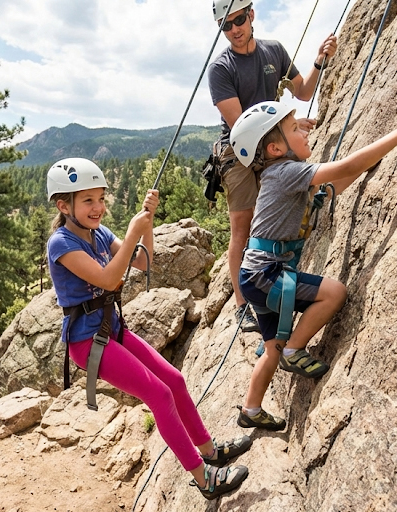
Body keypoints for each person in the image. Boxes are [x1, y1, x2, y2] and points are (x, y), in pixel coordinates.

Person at [46, 157, 251, 499]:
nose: (98, 208)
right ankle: (204, 479)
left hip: (111, 329)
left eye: (100, 199)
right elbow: (110, 277)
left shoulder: (98, 234)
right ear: (64, 205)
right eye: (88, 201)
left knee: (175, 380)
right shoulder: (62, 244)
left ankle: (210, 451)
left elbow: (143, 261)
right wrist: (131, 233)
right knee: (158, 394)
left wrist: (147, 224)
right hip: (87, 342)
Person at [229, 101, 397, 430]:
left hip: (256, 276)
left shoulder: (281, 175)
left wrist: (362, 168)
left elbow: (333, 186)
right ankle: (296, 348)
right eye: (295, 130)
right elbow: (346, 165)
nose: (304, 132)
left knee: (271, 349)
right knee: (334, 292)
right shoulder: (286, 172)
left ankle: (250, 410)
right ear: (276, 148)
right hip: (268, 273)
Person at [208, 0, 338, 334]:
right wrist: (287, 131)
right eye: (226, 25)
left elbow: (304, 91)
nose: (234, 29)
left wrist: (319, 61)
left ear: (251, 15)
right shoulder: (221, 68)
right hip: (237, 151)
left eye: (238, 19)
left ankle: (281, 276)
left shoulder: (273, 51)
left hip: (271, 142)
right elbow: (240, 126)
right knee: (244, 225)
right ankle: (241, 306)